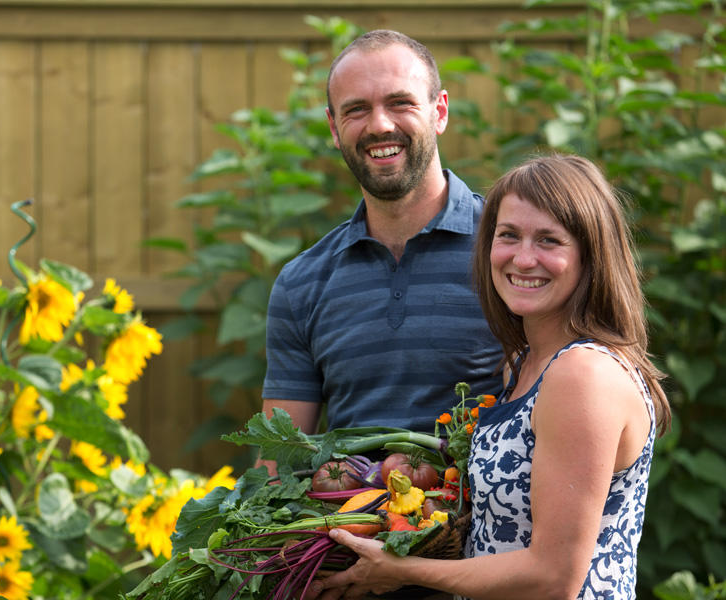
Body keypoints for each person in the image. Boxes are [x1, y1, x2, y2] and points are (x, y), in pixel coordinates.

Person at [305, 153, 672, 600]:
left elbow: (553, 578)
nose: (523, 258)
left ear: (591, 256)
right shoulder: (524, 363)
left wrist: (403, 570)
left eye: (549, 240)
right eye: (508, 235)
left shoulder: (583, 373)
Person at [259, 29, 502, 460]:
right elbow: (280, 465)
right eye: (356, 110)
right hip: (349, 504)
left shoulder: (509, 253)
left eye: (400, 103)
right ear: (334, 128)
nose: (380, 125)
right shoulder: (302, 284)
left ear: (440, 111)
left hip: (487, 504)